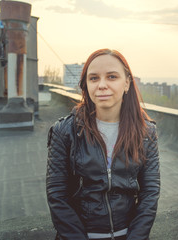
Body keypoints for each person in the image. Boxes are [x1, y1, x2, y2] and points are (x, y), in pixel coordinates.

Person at [46, 49, 160, 240]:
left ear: (127, 83)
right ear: (86, 85)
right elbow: (57, 196)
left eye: (112, 77)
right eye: (93, 78)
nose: (102, 85)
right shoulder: (64, 131)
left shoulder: (146, 132)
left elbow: (150, 193)